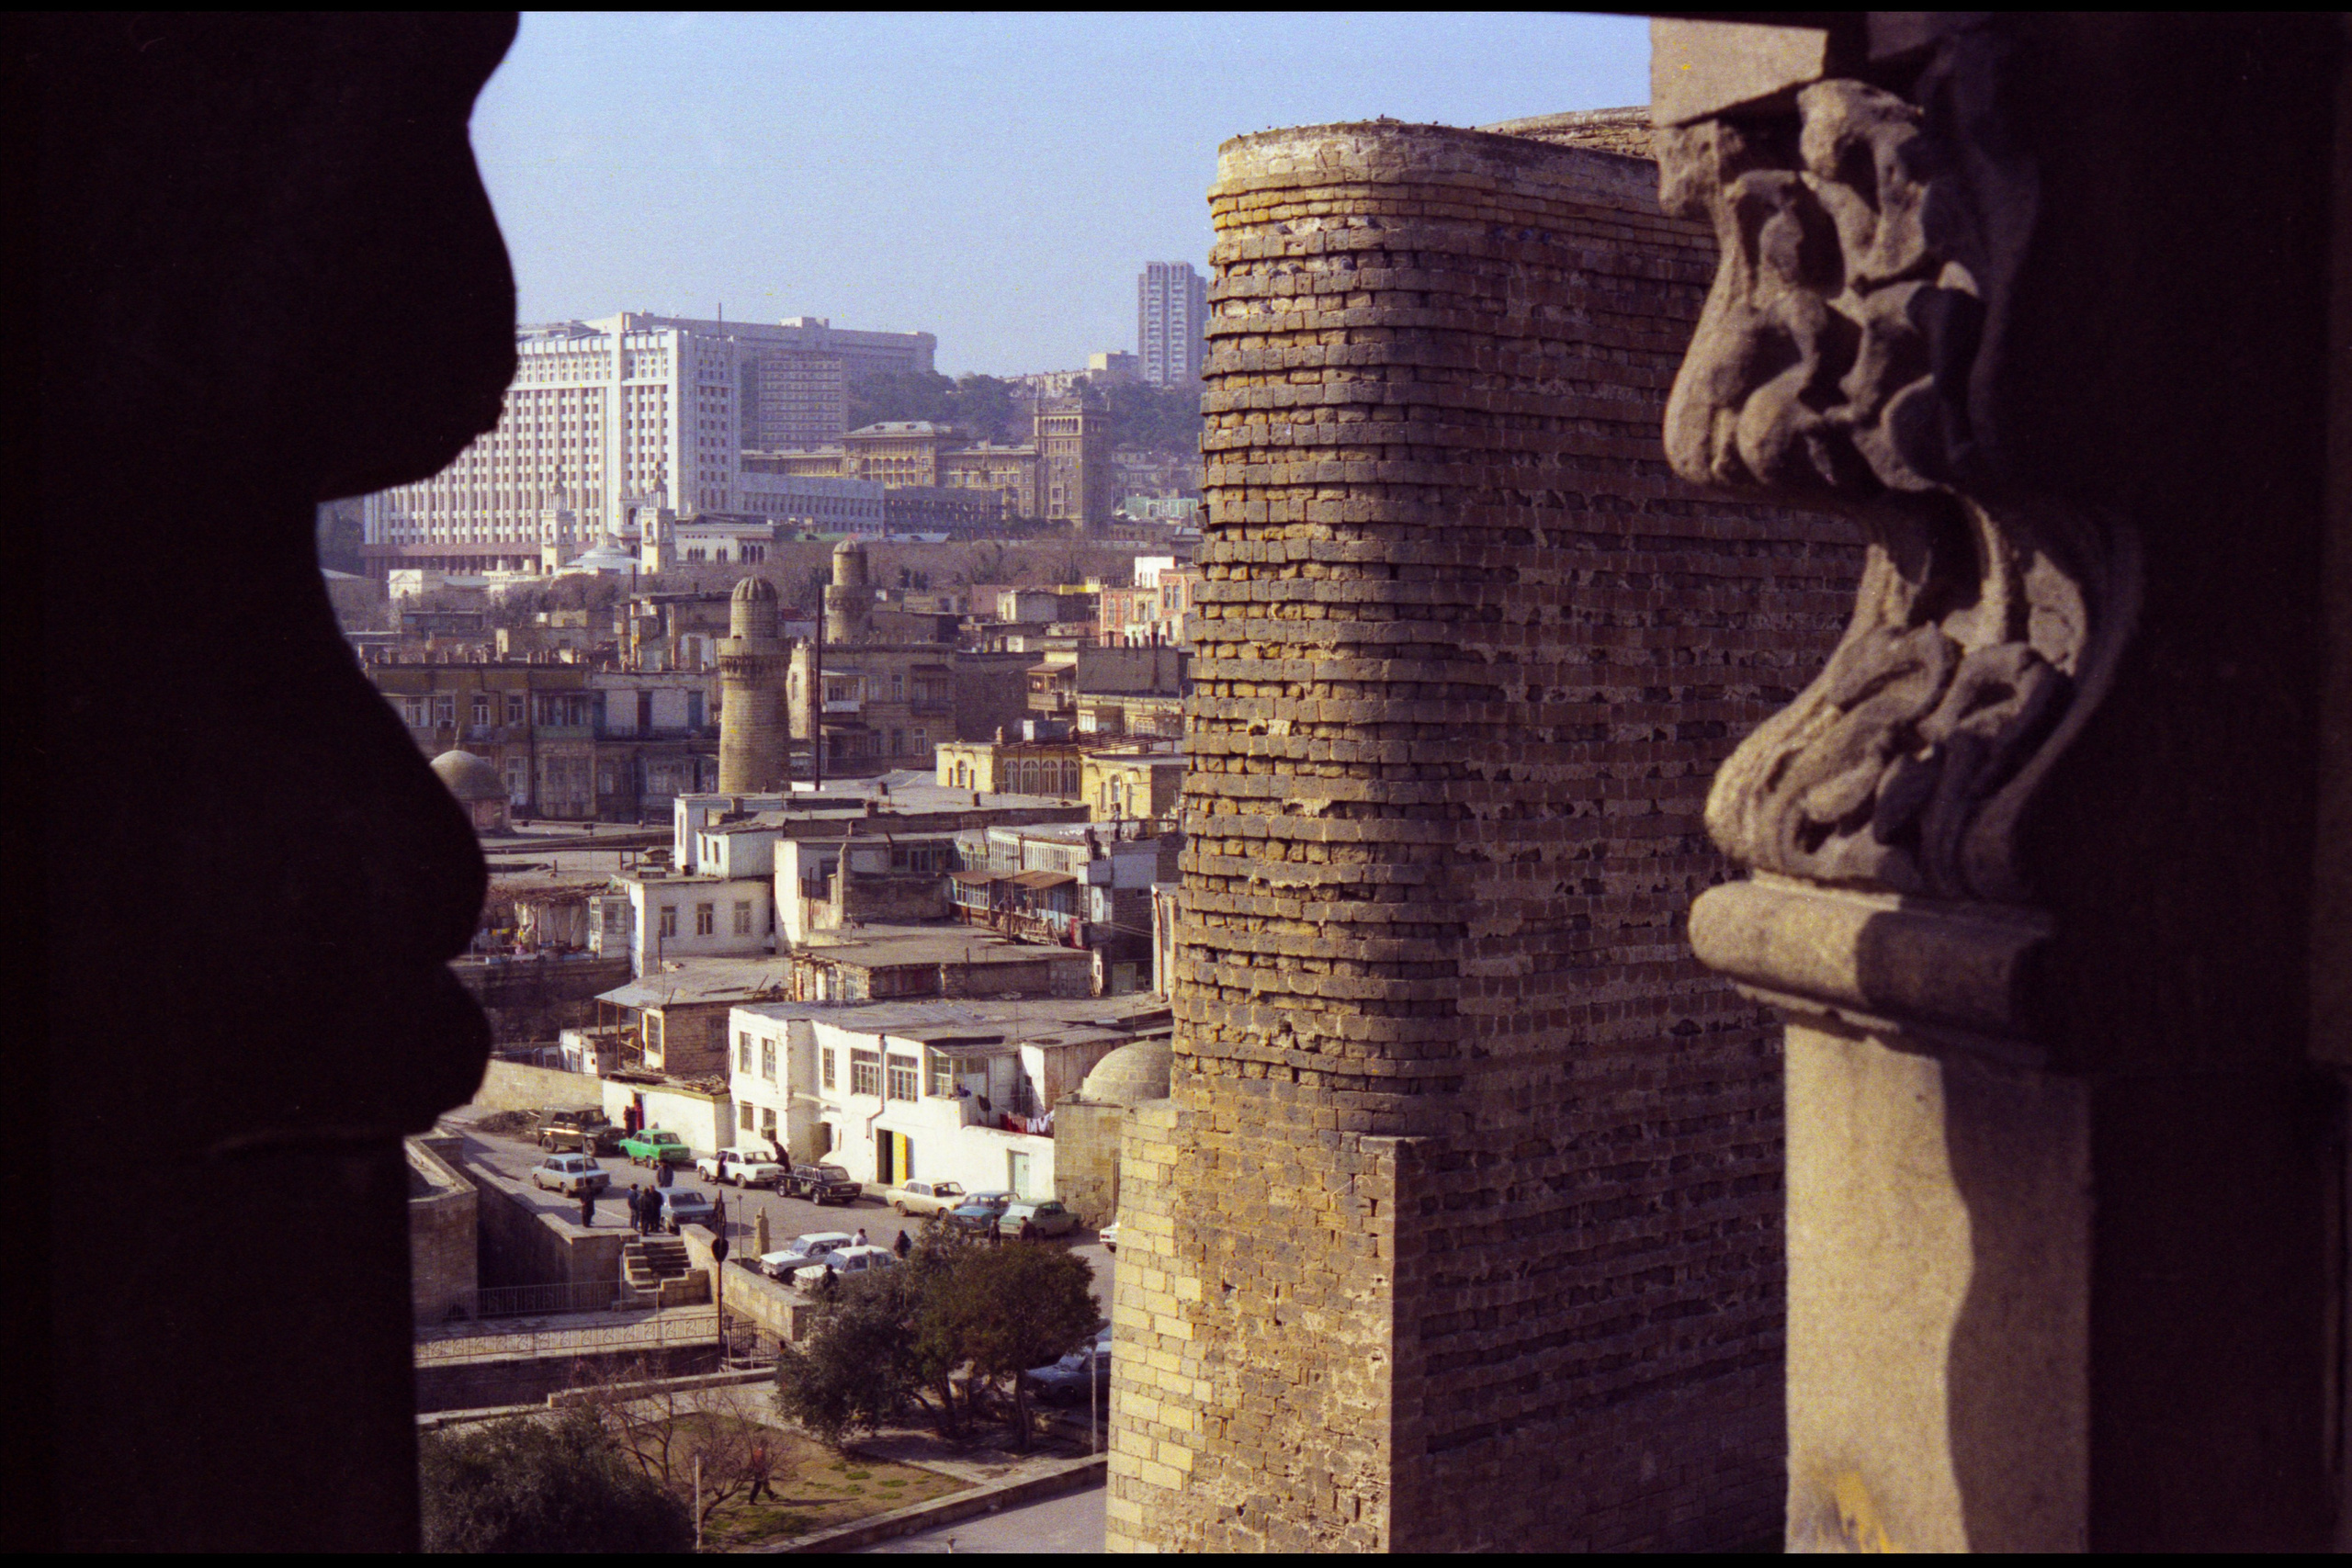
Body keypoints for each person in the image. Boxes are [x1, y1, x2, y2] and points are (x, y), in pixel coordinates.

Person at [745, 1441, 774, 1506]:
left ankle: (771, 1495)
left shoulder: (756, 1451)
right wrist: (763, 1472)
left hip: (757, 1470)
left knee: (765, 1483)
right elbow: (760, 1464)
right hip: (759, 1471)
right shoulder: (761, 1453)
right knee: (758, 1486)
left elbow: (752, 1461)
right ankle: (751, 1500)